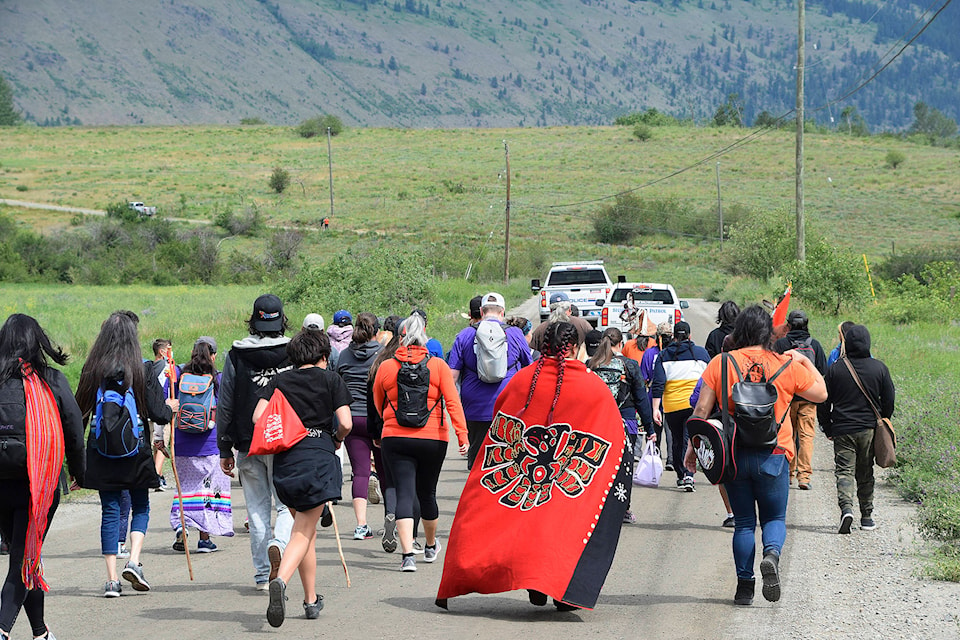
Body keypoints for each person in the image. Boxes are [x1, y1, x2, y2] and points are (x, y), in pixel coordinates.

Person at [436, 322, 632, 611]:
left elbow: (500, 425)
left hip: (523, 471)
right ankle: (556, 588)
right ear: (575, 349)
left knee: (527, 527)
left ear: (542, 347)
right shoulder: (592, 385)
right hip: (567, 475)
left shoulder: (522, 380)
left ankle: (535, 582)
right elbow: (614, 433)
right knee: (560, 530)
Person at [686, 305, 826, 606]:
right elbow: (821, 393)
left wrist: (692, 448)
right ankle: (772, 554)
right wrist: (804, 359)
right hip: (775, 454)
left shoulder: (720, 363)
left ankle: (744, 587)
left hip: (734, 455)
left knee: (745, 523)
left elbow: (701, 412)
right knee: (774, 517)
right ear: (768, 333)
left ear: (740, 331)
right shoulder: (786, 365)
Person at [75, 310, 178, 598]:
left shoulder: (91, 370)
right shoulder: (141, 369)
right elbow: (158, 413)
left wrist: (75, 462)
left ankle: (111, 581)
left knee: (110, 511)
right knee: (140, 506)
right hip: (136, 451)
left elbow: (77, 415)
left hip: (100, 452)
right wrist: (171, 409)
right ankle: (133, 561)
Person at [254, 329, 353, 628]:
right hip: (318, 459)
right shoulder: (331, 379)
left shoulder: (280, 381)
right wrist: (336, 438)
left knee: (304, 530)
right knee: (301, 532)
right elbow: (346, 422)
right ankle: (281, 583)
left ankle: (310, 599)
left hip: (286, 461)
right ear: (324, 355)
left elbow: (258, 417)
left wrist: (288, 426)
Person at [0, 314, 85, 639]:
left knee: (27, 558)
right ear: (38, 343)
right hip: (39, 486)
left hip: (1, 484)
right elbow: (74, 429)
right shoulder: (50, 379)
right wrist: (79, 471)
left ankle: (41, 632)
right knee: (22, 562)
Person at [373, 313, 468, 572]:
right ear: (425, 336)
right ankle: (429, 546)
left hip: (395, 437)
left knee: (404, 492)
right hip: (433, 439)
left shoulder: (386, 366)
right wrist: (463, 436)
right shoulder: (438, 366)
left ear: (400, 337)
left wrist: (388, 424)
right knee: (428, 493)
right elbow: (452, 402)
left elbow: (378, 402)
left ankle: (407, 556)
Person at [217, 294, 294, 590]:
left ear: (254, 320)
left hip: (248, 443)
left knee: (257, 509)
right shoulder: (292, 351)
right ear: (281, 319)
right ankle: (280, 544)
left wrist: (224, 446)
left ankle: (263, 575)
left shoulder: (236, 355)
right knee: (287, 507)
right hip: (285, 442)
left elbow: (225, 404)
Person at [817, 324, 895, 534]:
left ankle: (846, 510)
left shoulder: (836, 369)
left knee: (844, 471)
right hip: (869, 429)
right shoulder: (879, 368)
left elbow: (824, 401)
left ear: (847, 344)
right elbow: (889, 400)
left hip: (842, 429)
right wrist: (884, 419)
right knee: (865, 471)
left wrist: (826, 426)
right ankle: (867, 517)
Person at [448, 292, 533, 470]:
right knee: (508, 461)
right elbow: (530, 370)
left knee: (479, 459)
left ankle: (476, 491)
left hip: (474, 408)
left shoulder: (464, 335)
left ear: (481, 311)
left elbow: (452, 377)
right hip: (509, 407)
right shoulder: (516, 334)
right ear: (502, 312)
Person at [168, 337, 233, 554]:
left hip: (182, 442)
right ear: (213, 355)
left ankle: (181, 525)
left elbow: (166, 401)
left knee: (185, 488)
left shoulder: (177, 375)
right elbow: (225, 410)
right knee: (207, 490)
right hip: (210, 444)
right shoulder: (218, 379)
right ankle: (204, 539)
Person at [587, 327, 654, 524]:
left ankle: (599, 508)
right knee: (625, 466)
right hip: (627, 422)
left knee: (599, 465)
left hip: (599, 421)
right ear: (621, 344)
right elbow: (641, 399)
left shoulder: (591, 364)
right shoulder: (630, 366)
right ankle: (624, 509)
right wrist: (649, 428)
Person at [335, 312, 384, 540]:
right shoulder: (382, 355)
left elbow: (337, 385)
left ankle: (361, 525)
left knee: (360, 472)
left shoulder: (344, 355)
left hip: (352, 419)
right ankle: (391, 518)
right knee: (385, 472)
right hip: (378, 419)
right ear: (377, 331)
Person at [651, 321, 709, 491]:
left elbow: (658, 384)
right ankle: (688, 475)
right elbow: (710, 380)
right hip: (695, 406)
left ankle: (681, 473)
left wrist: (656, 408)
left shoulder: (664, 355)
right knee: (690, 440)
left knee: (678, 441)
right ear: (690, 336)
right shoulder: (702, 354)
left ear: (674, 336)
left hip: (672, 407)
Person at [774, 310, 827, 490]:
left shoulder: (781, 344)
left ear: (788, 325)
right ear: (806, 324)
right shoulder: (815, 345)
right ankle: (804, 477)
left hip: (787, 398)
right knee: (806, 437)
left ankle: (788, 474)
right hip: (808, 398)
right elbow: (822, 372)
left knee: (788, 435)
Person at [640, 321, 675, 469]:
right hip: (671, 395)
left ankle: (656, 455)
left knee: (656, 429)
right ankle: (672, 459)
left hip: (654, 395)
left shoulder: (649, 353)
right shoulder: (675, 352)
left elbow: (645, 376)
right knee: (671, 430)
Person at [149, 338, 176, 492]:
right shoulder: (167, 368)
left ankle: (156, 474)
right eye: (169, 348)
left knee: (153, 442)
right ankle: (156, 477)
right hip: (162, 410)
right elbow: (167, 388)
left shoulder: (149, 368)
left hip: (148, 411)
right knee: (161, 444)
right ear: (162, 351)